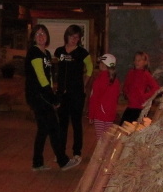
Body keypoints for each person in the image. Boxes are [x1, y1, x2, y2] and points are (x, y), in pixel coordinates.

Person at [24, 24, 80, 172]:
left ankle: (37, 163)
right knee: (54, 127)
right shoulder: (34, 52)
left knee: (43, 129)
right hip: (38, 95)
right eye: (37, 34)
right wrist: (53, 98)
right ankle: (63, 161)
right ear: (33, 38)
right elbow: (41, 77)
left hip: (44, 95)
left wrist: (52, 92)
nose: (41, 36)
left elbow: (48, 77)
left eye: (43, 33)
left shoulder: (46, 54)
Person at [54, 24, 93, 163]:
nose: (74, 39)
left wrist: (84, 83)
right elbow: (56, 69)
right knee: (62, 124)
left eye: (77, 37)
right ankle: (60, 152)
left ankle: (77, 152)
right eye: (72, 36)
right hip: (62, 93)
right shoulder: (59, 51)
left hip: (76, 93)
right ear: (67, 36)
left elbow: (90, 68)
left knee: (76, 123)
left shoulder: (82, 52)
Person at [120, 51, 159, 124]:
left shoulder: (146, 74)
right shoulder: (131, 73)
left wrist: (144, 96)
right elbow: (126, 86)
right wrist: (127, 94)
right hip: (130, 106)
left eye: (139, 60)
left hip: (139, 107)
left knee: (135, 128)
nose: (137, 62)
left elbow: (156, 88)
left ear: (145, 62)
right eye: (135, 60)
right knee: (123, 126)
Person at [88, 53, 121, 140]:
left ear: (103, 65)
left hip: (99, 115)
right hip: (110, 115)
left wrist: (91, 115)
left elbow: (94, 98)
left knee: (101, 140)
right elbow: (116, 98)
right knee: (108, 139)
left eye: (101, 62)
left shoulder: (99, 80)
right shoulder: (116, 81)